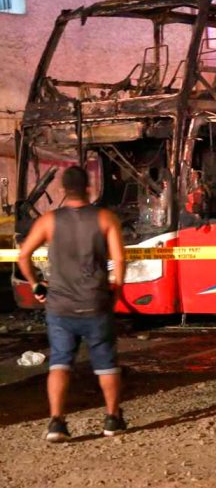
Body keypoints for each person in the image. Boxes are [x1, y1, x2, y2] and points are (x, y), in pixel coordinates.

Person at [18, 166, 127, 442]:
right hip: (96, 303)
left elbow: (23, 256)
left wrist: (35, 284)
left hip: (59, 306)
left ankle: (57, 423)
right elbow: (119, 260)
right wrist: (115, 290)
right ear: (89, 188)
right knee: (106, 363)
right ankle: (112, 419)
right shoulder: (105, 218)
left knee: (59, 362)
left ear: (62, 190)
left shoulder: (49, 221)